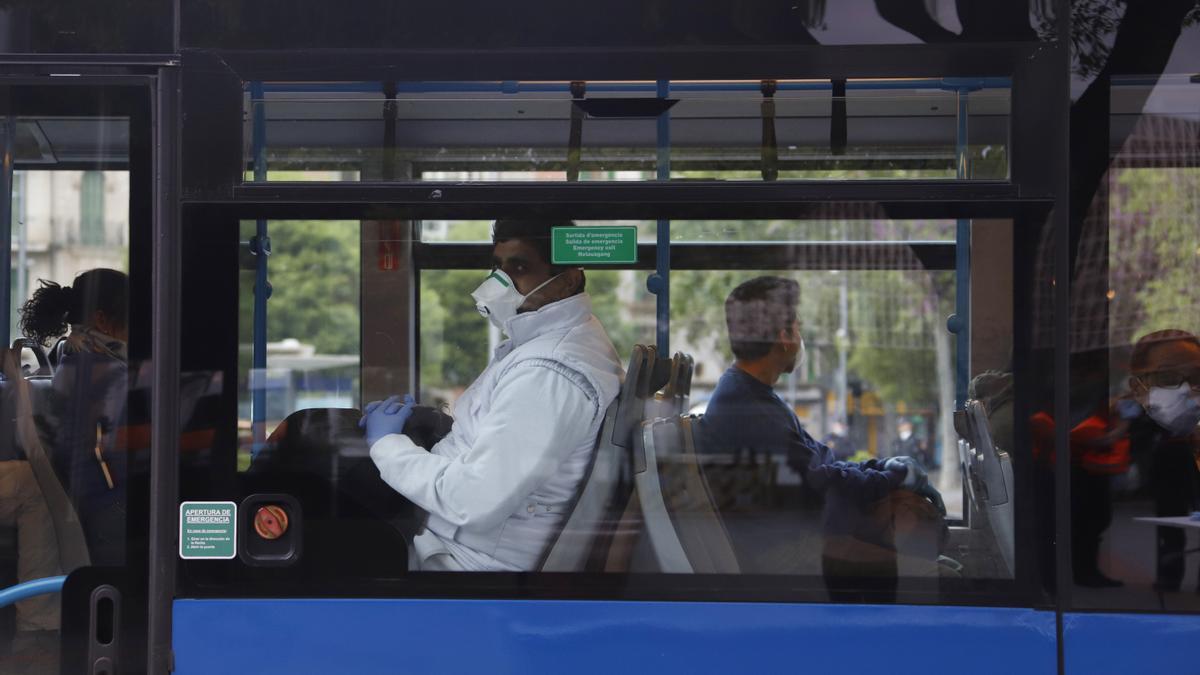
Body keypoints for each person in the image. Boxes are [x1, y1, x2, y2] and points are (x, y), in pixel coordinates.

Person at [363, 220, 623, 571]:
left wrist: (386, 445)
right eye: (498, 267)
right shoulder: (550, 344)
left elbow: (472, 500)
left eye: (520, 267)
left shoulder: (548, 374)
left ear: (568, 280)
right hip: (447, 535)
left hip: (464, 561)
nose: (500, 282)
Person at [696, 276, 945, 592]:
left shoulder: (753, 395)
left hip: (801, 531)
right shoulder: (746, 406)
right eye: (798, 329)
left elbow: (821, 466)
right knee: (933, 575)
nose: (800, 340)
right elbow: (819, 483)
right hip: (784, 551)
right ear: (784, 337)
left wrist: (880, 470)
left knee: (907, 508)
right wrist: (890, 477)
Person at [19, 268, 131, 566]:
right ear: (102, 320)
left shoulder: (71, 357)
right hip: (110, 512)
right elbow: (118, 452)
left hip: (90, 505)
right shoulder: (105, 371)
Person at [1126, 330, 1200, 592]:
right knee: (1170, 530)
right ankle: (1169, 579)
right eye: (1167, 377)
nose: (1185, 389)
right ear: (1138, 386)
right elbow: (1137, 445)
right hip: (1168, 473)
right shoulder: (1140, 418)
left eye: (1196, 377)